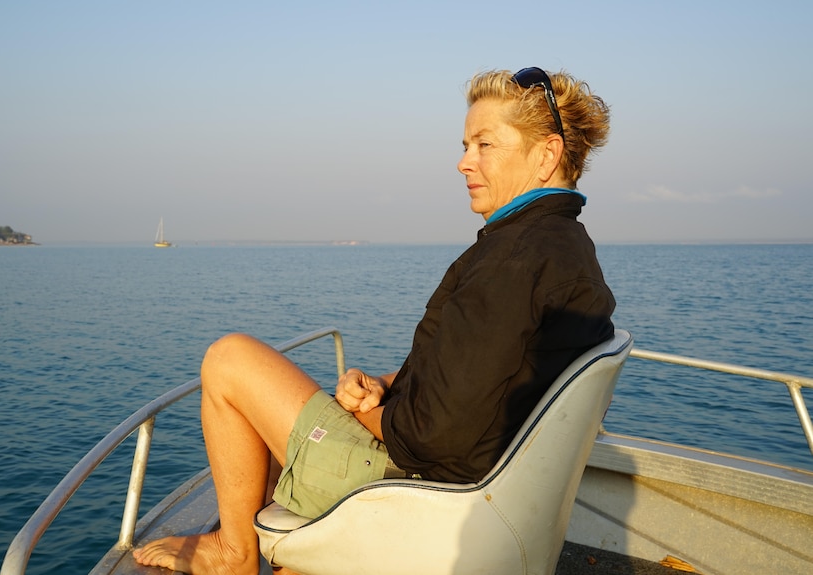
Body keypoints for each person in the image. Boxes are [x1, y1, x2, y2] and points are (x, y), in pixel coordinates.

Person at [133, 66, 616, 575]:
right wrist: (386, 385)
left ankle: (233, 555)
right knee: (282, 435)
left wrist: (364, 411)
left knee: (229, 360)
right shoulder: (569, 252)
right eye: (465, 144)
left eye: (484, 145)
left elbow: (428, 436)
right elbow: (488, 376)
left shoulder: (512, 263)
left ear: (546, 156)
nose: (462, 162)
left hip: (417, 489)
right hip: (477, 486)